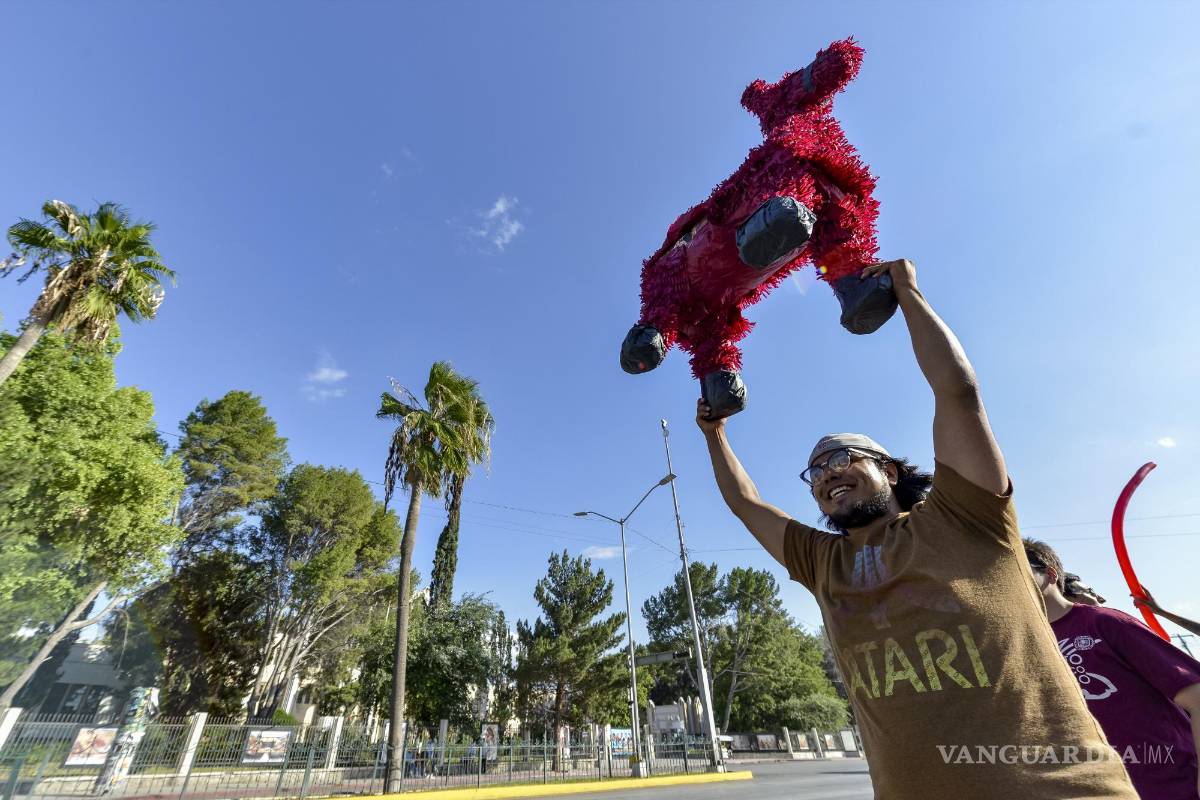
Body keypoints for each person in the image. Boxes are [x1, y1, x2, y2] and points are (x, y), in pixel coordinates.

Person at [697, 258, 1137, 798]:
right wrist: (713, 432)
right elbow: (746, 503)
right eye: (815, 471)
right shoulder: (821, 562)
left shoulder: (968, 516)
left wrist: (906, 294)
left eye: (842, 456)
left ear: (888, 470)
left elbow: (957, 393)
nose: (828, 472)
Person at [1024, 538, 1200, 799]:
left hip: (1175, 787)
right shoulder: (1023, 645)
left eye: (1016, 569)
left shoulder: (1105, 622)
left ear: (1050, 574)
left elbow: (1196, 697)